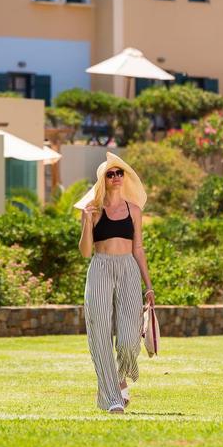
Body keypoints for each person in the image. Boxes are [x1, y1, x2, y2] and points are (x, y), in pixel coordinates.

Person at [76, 152, 155, 414]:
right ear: (102, 179)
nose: (116, 177)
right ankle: (112, 398)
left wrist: (149, 285)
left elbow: (139, 249)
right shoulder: (94, 211)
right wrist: (87, 222)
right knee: (99, 333)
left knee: (129, 338)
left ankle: (120, 378)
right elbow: (85, 251)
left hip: (128, 269)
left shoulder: (134, 210)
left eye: (120, 172)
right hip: (100, 267)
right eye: (110, 174)